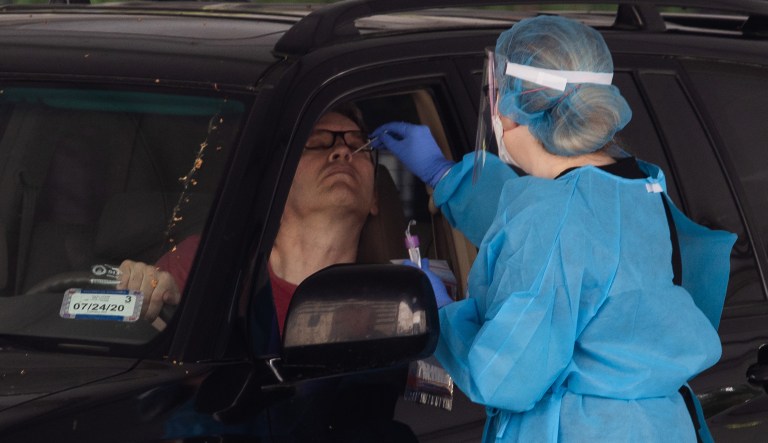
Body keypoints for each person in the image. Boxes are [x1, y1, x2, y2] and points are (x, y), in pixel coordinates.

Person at [371, 15, 736, 443]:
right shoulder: (640, 186)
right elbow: (567, 249)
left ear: (510, 105)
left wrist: (442, 315)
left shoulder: (552, 217)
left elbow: (505, 376)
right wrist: (443, 175)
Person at [117, 103, 420, 442]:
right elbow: (137, 381)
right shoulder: (204, 267)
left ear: (375, 197)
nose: (341, 152)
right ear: (276, 184)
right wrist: (141, 294)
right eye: (318, 141)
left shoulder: (399, 304)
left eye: (357, 144)